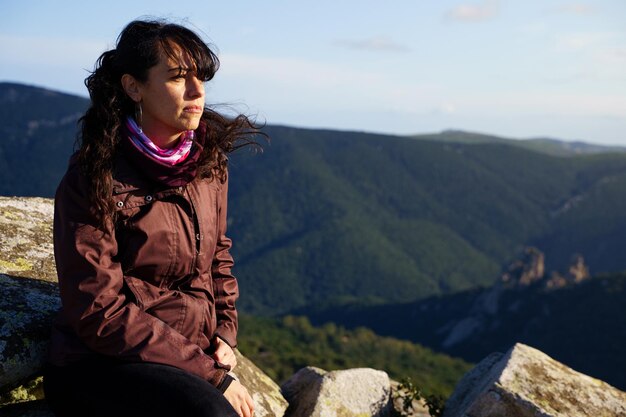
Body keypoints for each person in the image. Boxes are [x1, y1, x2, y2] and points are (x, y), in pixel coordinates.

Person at [43, 19, 261, 417]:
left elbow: (217, 257)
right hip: (100, 362)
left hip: (183, 350)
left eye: (201, 78)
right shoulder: (93, 179)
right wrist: (209, 374)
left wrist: (225, 333)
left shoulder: (208, 164)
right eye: (178, 78)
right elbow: (99, 312)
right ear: (133, 86)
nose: (197, 92)